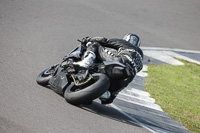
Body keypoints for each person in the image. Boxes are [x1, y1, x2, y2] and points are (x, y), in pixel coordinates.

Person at [73, 33, 143, 104]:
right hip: (127, 78)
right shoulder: (140, 62)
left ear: (127, 39)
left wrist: (87, 39)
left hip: (119, 62)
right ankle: (107, 94)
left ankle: (86, 62)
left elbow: (105, 40)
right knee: (109, 98)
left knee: (95, 45)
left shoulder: (127, 44)